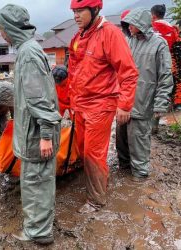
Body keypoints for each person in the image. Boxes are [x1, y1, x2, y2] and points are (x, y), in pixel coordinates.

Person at [0, 4, 62, 245]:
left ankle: (39, 233)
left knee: (37, 183)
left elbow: (40, 98)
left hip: (37, 134)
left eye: (2, 29)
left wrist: (45, 134)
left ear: (10, 28)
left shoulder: (28, 53)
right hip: (33, 132)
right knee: (36, 182)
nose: (1, 34)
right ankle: (39, 226)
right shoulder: (30, 49)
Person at [68, 0, 138, 213]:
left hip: (101, 104)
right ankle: (93, 183)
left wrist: (125, 105)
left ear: (95, 10)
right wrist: (71, 104)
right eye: (74, 11)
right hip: (80, 104)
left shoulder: (110, 34)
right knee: (81, 147)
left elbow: (128, 72)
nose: (76, 16)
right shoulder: (78, 37)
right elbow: (73, 73)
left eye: (80, 11)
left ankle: (96, 200)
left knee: (93, 152)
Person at [117, 8, 173, 181]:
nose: (129, 27)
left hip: (143, 103)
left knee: (139, 143)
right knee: (121, 143)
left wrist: (160, 103)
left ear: (141, 23)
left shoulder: (159, 43)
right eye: (127, 24)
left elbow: (165, 74)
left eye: (132, 24)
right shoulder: (127, 41)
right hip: (124, 102)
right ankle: (124, 174)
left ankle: (139, 178)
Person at [150, 4, 179, 133]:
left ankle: (152, 125)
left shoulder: (151, 29)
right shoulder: (173, 30)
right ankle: (159, 121)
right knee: (165, 94)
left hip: (152, 67)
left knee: (151, 94)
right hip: (170, 68)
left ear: (153, 15)